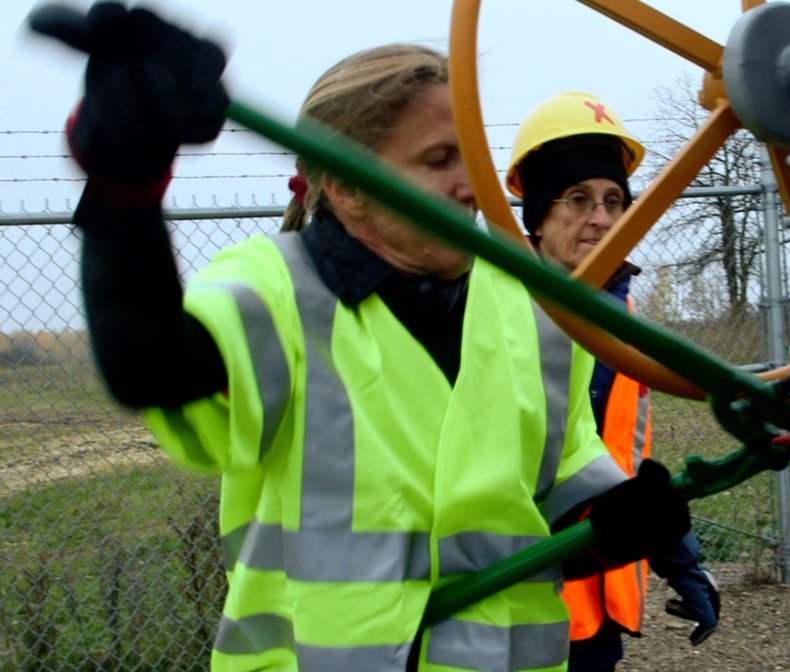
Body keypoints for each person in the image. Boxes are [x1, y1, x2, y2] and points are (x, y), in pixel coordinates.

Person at [33, 4, 693, 671]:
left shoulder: (537, 309)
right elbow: (152, 368)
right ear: (346, 186)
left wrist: (617, 531)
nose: (472, 186)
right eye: (439, 160)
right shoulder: (275, 290)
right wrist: (125, 195)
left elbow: (556, 509)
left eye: (473, 155)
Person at [507, 91, 721, 672]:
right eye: (577, 199)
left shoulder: (617, 317)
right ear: (538, 214)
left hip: (598, 589)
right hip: (520, 595)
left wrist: (680, 560)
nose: (601, 218)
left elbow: (616, 458)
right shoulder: (496, 312)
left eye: (613, 200)